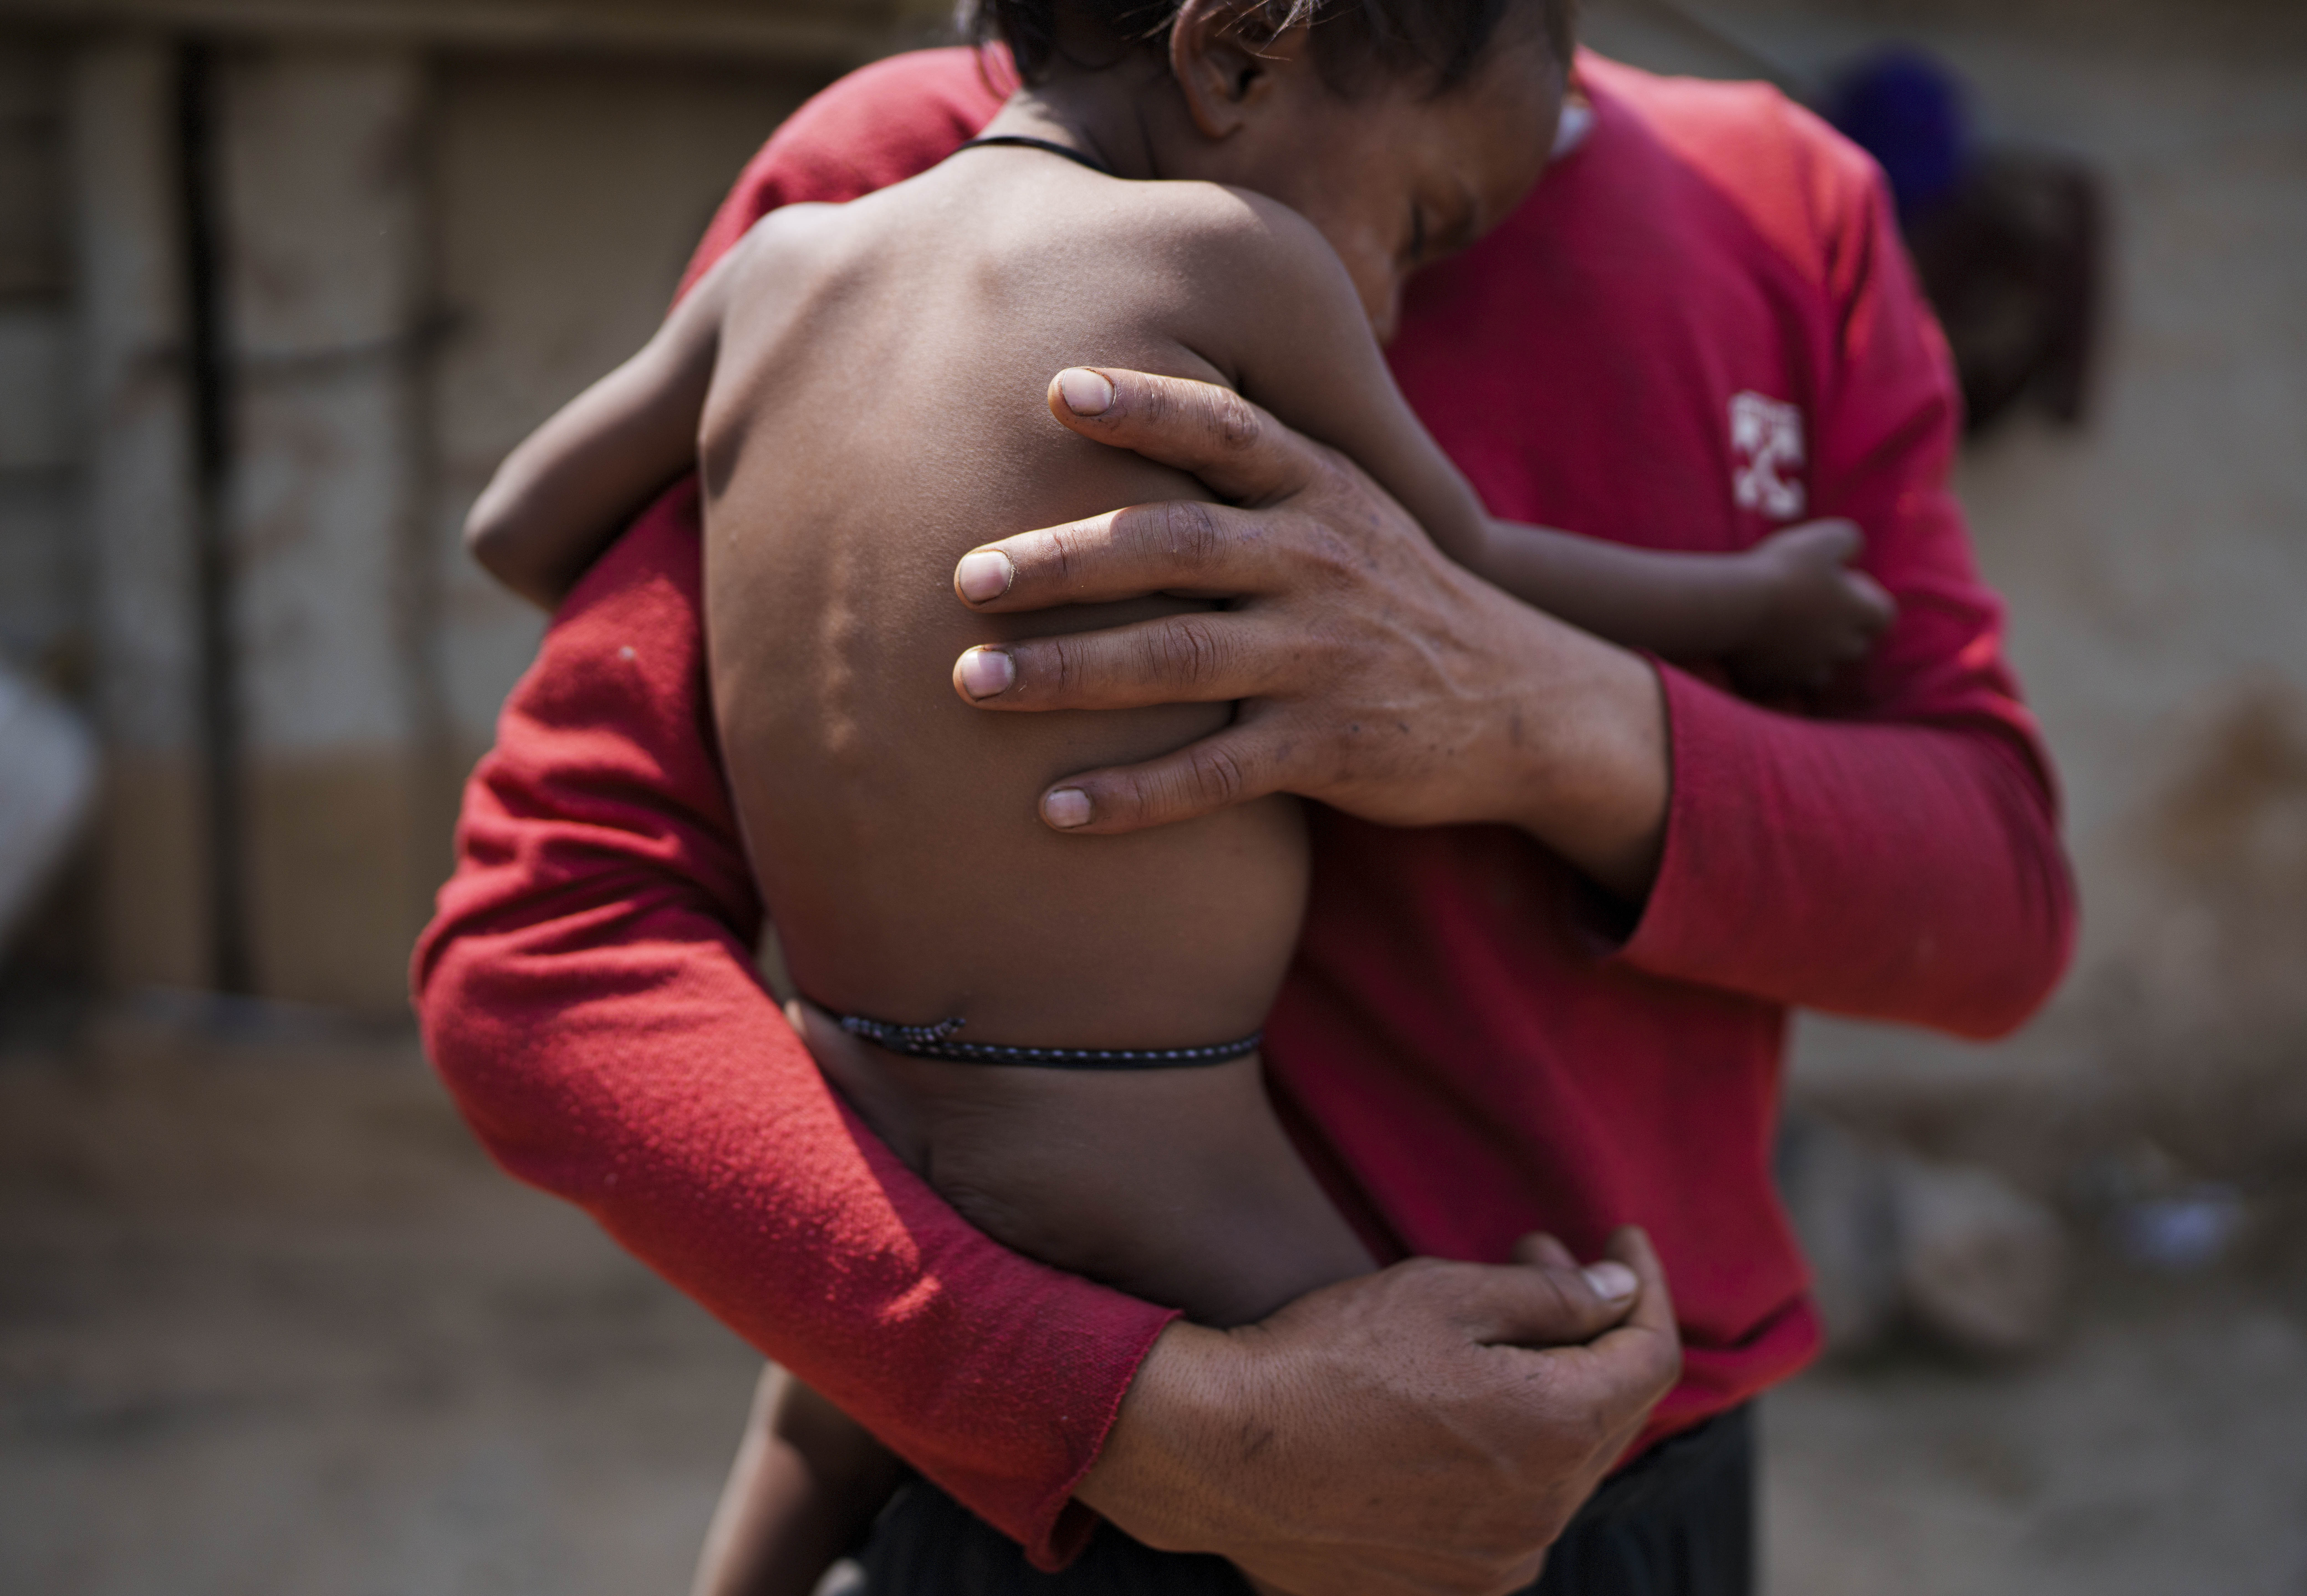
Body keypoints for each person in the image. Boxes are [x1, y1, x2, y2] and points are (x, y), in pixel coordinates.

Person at [411, 16, 2076, 1596]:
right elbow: (547, 951)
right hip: (1111, 1412)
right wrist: (1137, 1420)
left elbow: (1998, 906)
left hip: (898, 1131)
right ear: (1227, 53)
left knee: (812, 1435)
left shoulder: (1789, 207)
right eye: (1420, 227)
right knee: (1471, 1430)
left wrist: (1559, 728)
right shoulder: (1110, 220)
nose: (1408, 303)